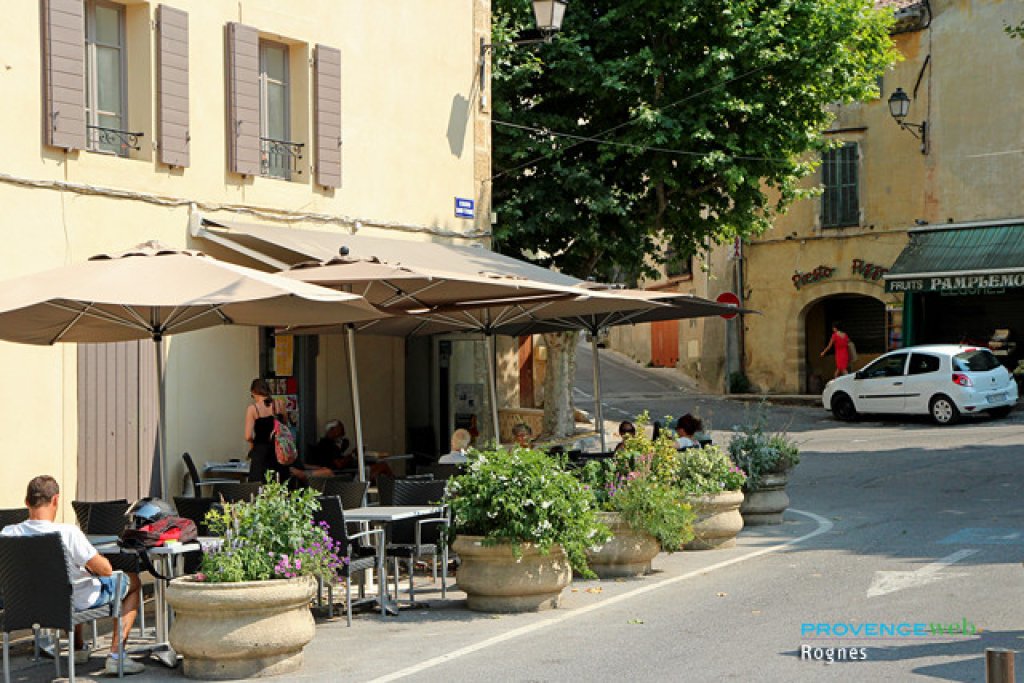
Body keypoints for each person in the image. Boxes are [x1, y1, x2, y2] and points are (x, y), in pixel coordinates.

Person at [1, 476, 145, 675]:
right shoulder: (68, 532)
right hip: (69, 603)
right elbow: (106, 570)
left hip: (27, 605)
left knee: (71, 582)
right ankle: (116, 656)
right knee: (133, 582)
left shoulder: (7, 534)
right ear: (56, 500)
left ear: (27, 502)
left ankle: (78, 649)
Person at [245, 378, 290, 483]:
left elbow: (247, 435)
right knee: (280, 486)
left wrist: (252, 443)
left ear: (254, 392)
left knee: (259, 488)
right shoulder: (279, 404)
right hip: (279, 453)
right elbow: (285, 426)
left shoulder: (253, 409)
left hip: (261, 453)